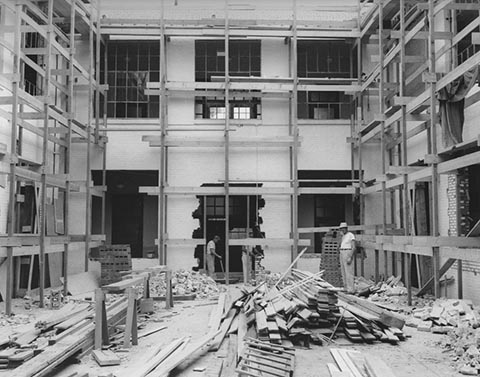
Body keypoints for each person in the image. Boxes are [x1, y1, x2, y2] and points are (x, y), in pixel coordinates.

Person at [338, 222, 356, 293]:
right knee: (343, 271)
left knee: (349, 271)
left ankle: (351, 289)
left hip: (347, 252)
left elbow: (353, 247)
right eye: (341, 229)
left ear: (346, 228)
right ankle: (346, 288)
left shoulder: (350, 235)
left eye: (343, 229)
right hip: (342, 252)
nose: (342, 230)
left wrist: (350, 257)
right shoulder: (343, 236)